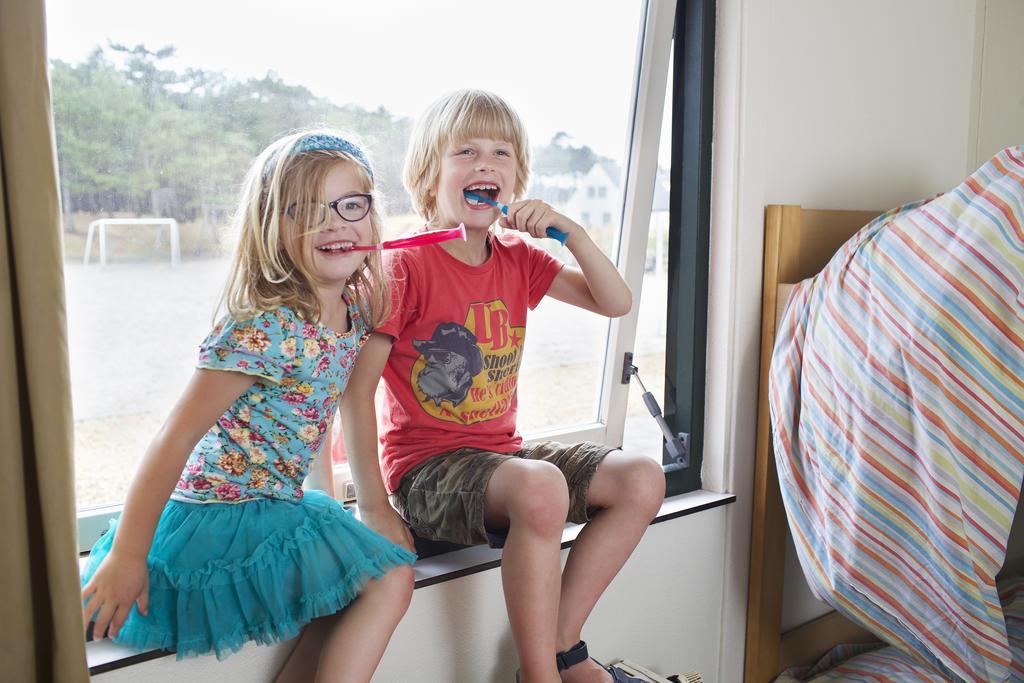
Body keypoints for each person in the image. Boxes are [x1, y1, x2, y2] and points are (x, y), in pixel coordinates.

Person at [343, 90, 665, 683]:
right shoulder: (404, 265)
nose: (485, 163)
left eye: (501, 151)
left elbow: (616, 301)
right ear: (427, 173)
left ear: (517, 176)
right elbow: (355, 391)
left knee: (643, 477)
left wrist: (568, 232)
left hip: (501, 461)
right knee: (539, 486)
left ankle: (563, 650)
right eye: (465, 151)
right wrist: (372, 505)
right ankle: (540, 678)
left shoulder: (516, 256)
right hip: (426, 472)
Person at [80, 130, 416, 683]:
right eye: (306, 211)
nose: (334, 223)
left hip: (275, 501)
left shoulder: (352, 310)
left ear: (372, 216)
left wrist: (348, 513)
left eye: (350, 205)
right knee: (390, 580)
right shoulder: (264, 325)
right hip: (219, 516)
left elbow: (321, 415)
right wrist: (128, 556)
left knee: (374, 579)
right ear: (272, 228)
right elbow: (174, 437)